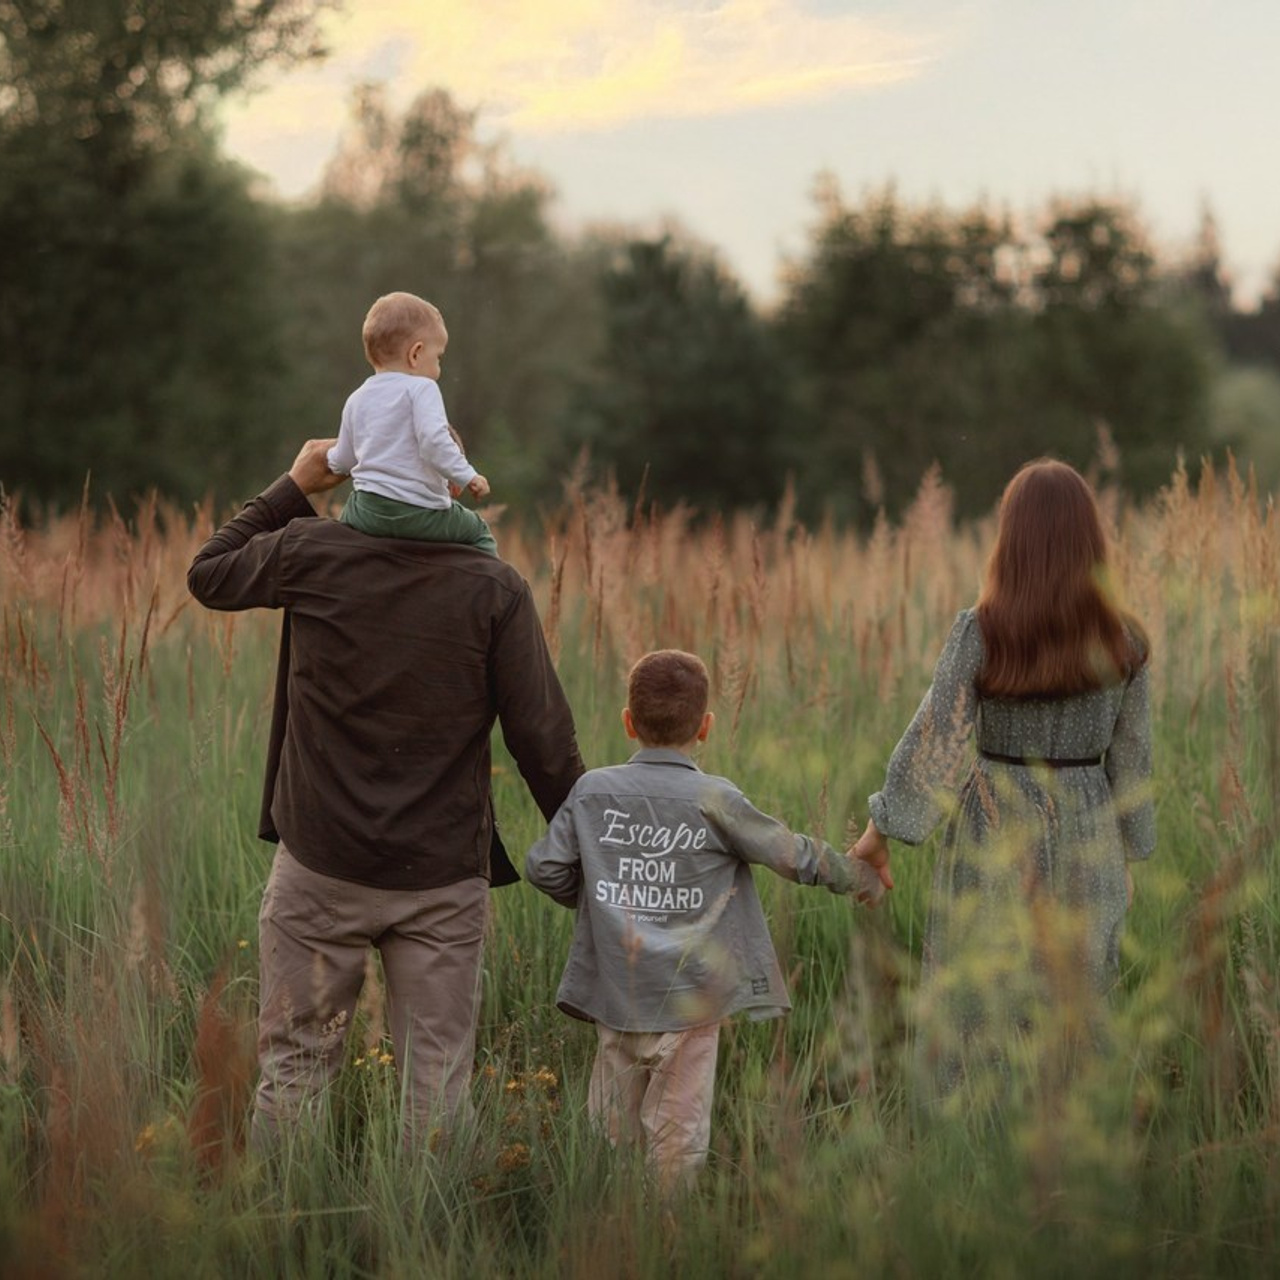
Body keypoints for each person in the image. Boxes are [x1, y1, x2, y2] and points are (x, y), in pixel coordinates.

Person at [186, 437, 583, 1150]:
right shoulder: (494, 589)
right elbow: (543, 743)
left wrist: (291, 488)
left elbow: (209, 574)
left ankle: (282, 1241)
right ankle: (428, 1244)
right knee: (436, 1080)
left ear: (360, 471)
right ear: (454, 487)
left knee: (295, 1067)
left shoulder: (310, 551)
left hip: (319, 864)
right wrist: (587, 858)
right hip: (439, 876)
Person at [852, 458, 1155, 1098]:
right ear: (1090, 541)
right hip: (1088, 829)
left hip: (994, 819)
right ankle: (1066, 1155)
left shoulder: (983, 630)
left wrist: (881, 832)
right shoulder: (1125, 639)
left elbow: (937, 739)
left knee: (977, 990)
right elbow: (1133, 762)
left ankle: (973, 1146)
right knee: (1075, 994)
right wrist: (1128, 854)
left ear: (1010, 539)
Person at [525, 649, 883, 1189]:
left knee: (609, 1138)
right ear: (707, 727)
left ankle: (609, 1235)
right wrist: (857, 875)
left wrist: (600, 901)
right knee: (676, 1145)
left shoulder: (593, 790)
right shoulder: (716, 798)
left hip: (615, 998)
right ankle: (664, 1245)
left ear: (628, 722)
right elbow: (789, 853)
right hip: (691, 1003)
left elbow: (543, 867)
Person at [326, 290, 498, 556]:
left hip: (365, 513)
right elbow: (433, 442)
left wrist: (327, 458)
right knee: (477, 531)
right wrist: (468, 475)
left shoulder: (356, 398)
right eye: (438, 357)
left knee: (341, 532)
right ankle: (491, 594)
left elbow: (344, 459)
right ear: (416, 354)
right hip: (418, 512)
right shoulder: (421, 389)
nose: (439, 368)